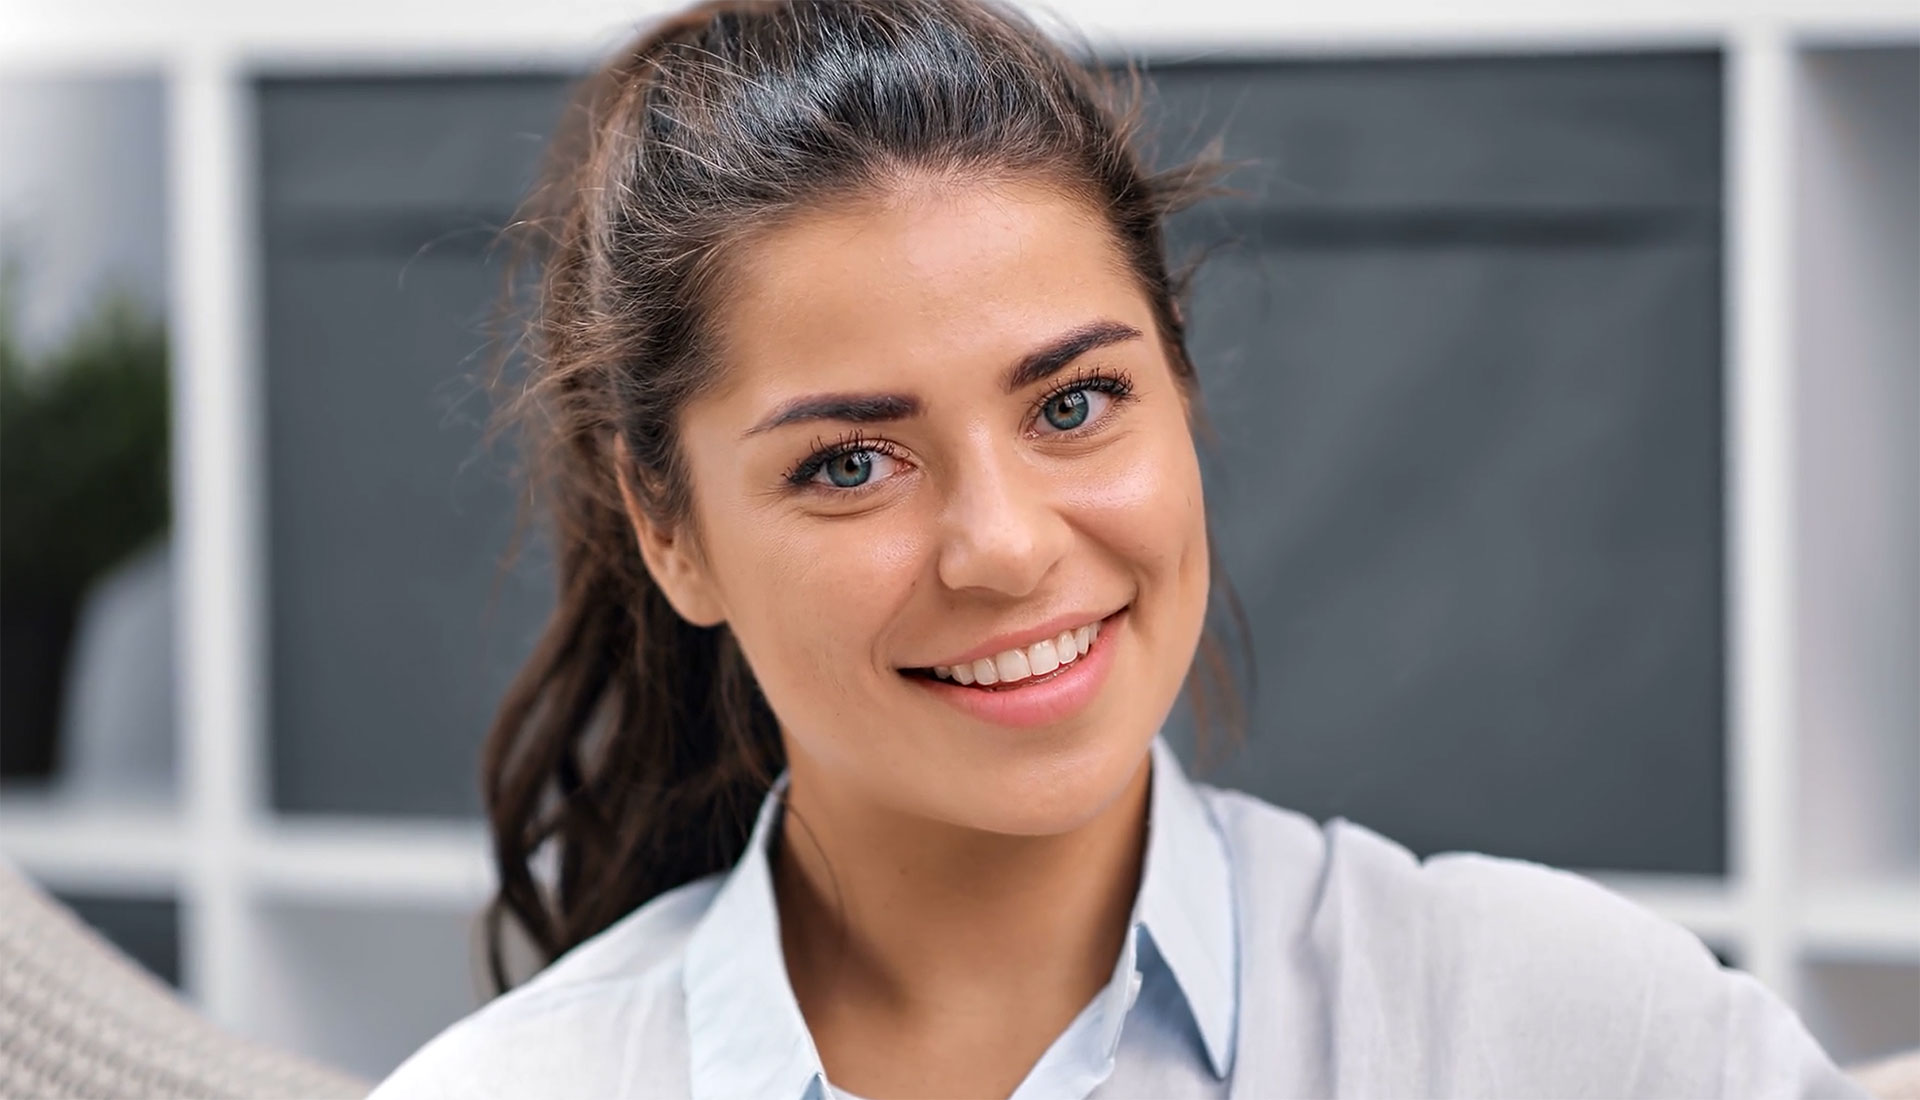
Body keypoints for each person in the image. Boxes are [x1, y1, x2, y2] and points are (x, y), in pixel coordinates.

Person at [371, 2, 1865, 1097]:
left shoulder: (1558, 1029)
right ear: (670, 529)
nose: (1006, 547)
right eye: (849, 462)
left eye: (1074, 403)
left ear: (1182, 388)